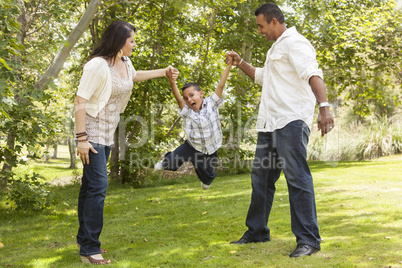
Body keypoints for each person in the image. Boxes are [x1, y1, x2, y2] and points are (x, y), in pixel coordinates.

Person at [226, 3, 334, 257]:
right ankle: (257, 231)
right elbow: (263, 77)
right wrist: (240, 62)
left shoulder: (295, 43)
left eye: (261, 26)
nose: (260, 31)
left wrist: (325, 107)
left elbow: (312, 74)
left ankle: (308, 240)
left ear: (274, 21)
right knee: (261, 179)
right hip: (269, 124)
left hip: (291, 122)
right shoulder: (276, 48)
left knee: (297, 178)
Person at [74, 20, 178, 264]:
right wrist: (81, 139)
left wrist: (163, 71)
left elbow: (135, 76)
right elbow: (80, 101)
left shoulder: (124, 62)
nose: (134, 44)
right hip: (91, 135)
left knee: (89, 188)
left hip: (107, 133)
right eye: (131, 40)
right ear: (120, 41)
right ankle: (90, 249)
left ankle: (83, 239)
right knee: (98, 188)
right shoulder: (97, 66)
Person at [154, 57, 233, 190]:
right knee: (173, 159)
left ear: (201, 94)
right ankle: (165, 163)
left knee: (206, 175)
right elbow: (178, 99)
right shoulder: (187, 111)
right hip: (191, 146)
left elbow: (221, 85)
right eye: (186, 98)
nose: (189, 100)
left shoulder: (212, 103)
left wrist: (229, 66)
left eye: (191, 95)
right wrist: (172, 82)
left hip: (210, 149)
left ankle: (207, 180)